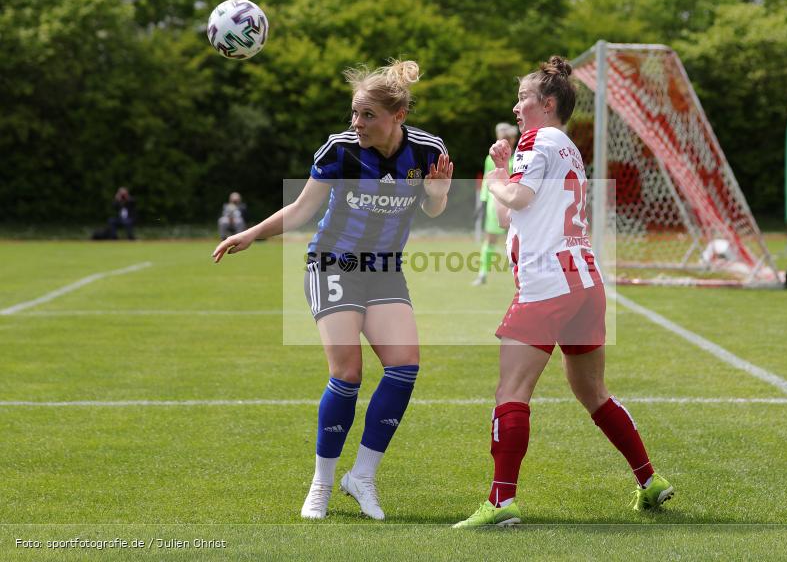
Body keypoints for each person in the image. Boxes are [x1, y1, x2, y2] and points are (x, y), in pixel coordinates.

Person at [212, 59, 453, 521]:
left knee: (404, 367)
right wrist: (252, 234)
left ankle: (361, 476)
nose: (356, 124)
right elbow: (302, 210)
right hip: (332, 264)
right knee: (347, 372)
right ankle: (321, 484)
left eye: (367, 115)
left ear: (397, 116)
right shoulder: (340, 150)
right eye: (354, 113)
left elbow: (434, 208)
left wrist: (439, 191)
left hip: (384, 268)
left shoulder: (427, 149)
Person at [454, 56, 672, 528]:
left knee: (511, 389)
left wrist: (496, 176)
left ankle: (500, 502)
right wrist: (504, 168)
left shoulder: (537, 139)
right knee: (592, 390)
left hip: (547, 283)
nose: (516, 106)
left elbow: (516, 199)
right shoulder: (565, 147)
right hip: (585, 282)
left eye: (523, 97)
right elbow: (518, 217)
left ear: (547, 103)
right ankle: (649, 480)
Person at [472, 123, 518, 285]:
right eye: (502, 137)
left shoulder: (519, 157)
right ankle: (482, 274)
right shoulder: (490, 158)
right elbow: (487, 180)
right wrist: (483, 202)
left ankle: (519, 274)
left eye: (508, 137)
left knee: (516, 240)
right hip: (495, 203)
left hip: (514, 202)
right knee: (490, 239)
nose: (505, 140)